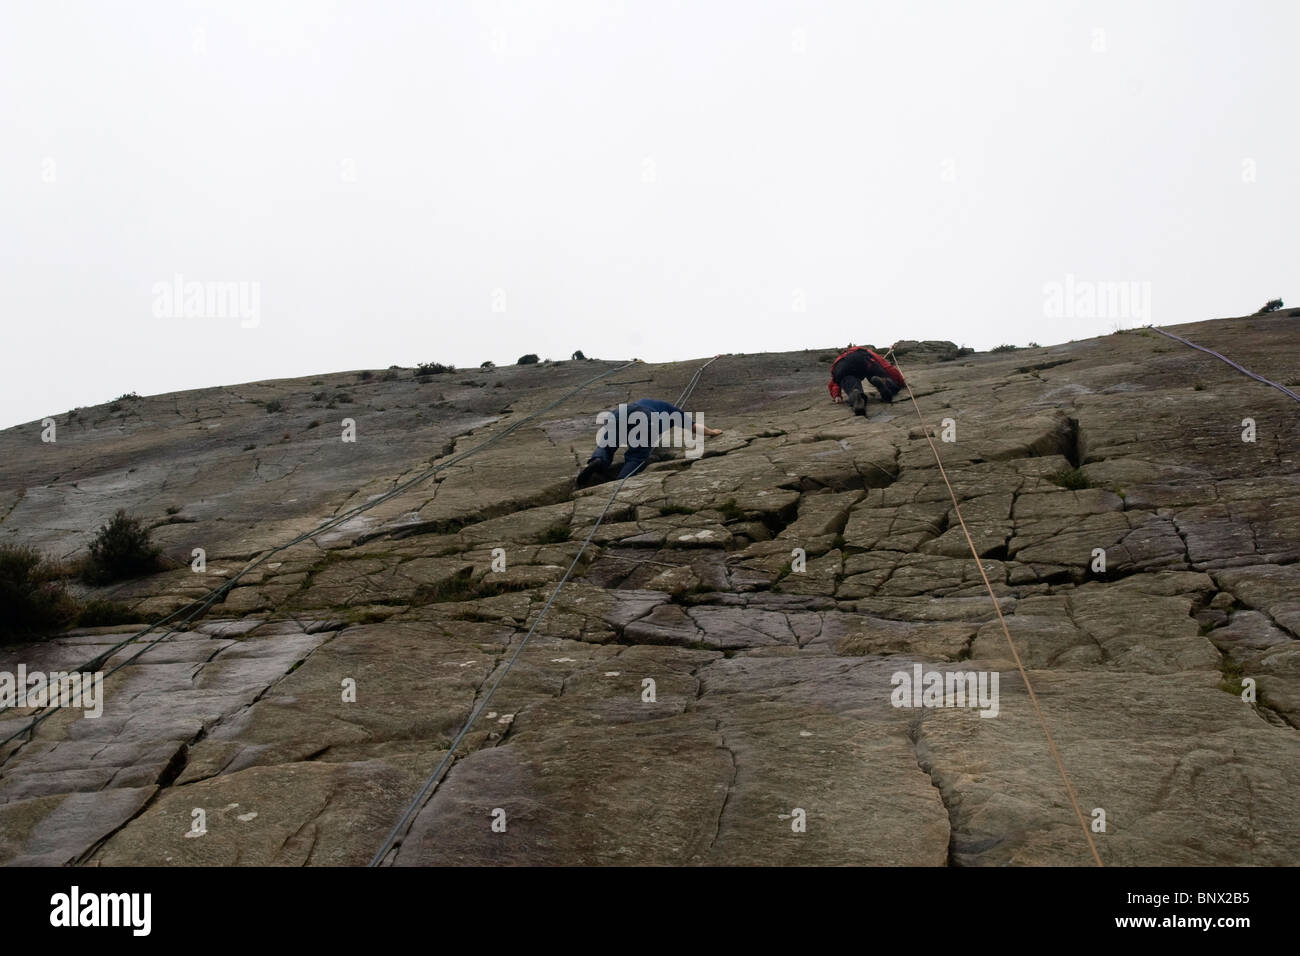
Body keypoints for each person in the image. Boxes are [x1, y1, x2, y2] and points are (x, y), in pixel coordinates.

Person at [575, 398, 722, 488]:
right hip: (646, 418)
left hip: (621, 412)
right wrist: (713, 432)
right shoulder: (674, 412)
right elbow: (695, 427)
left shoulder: (650, 401)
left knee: (607, 444)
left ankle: (598, 460)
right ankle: (619, 482)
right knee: (637, 456)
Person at [827, 346, 905, 415]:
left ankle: (856, 395)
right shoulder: (861, 350)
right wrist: (900, 381)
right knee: (875, 374)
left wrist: (836, 395)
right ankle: (884, 383)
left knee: (849, 382)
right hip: (863, 361)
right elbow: (886, 365)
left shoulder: (838, 360)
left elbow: (835, 380)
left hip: (842, 368)